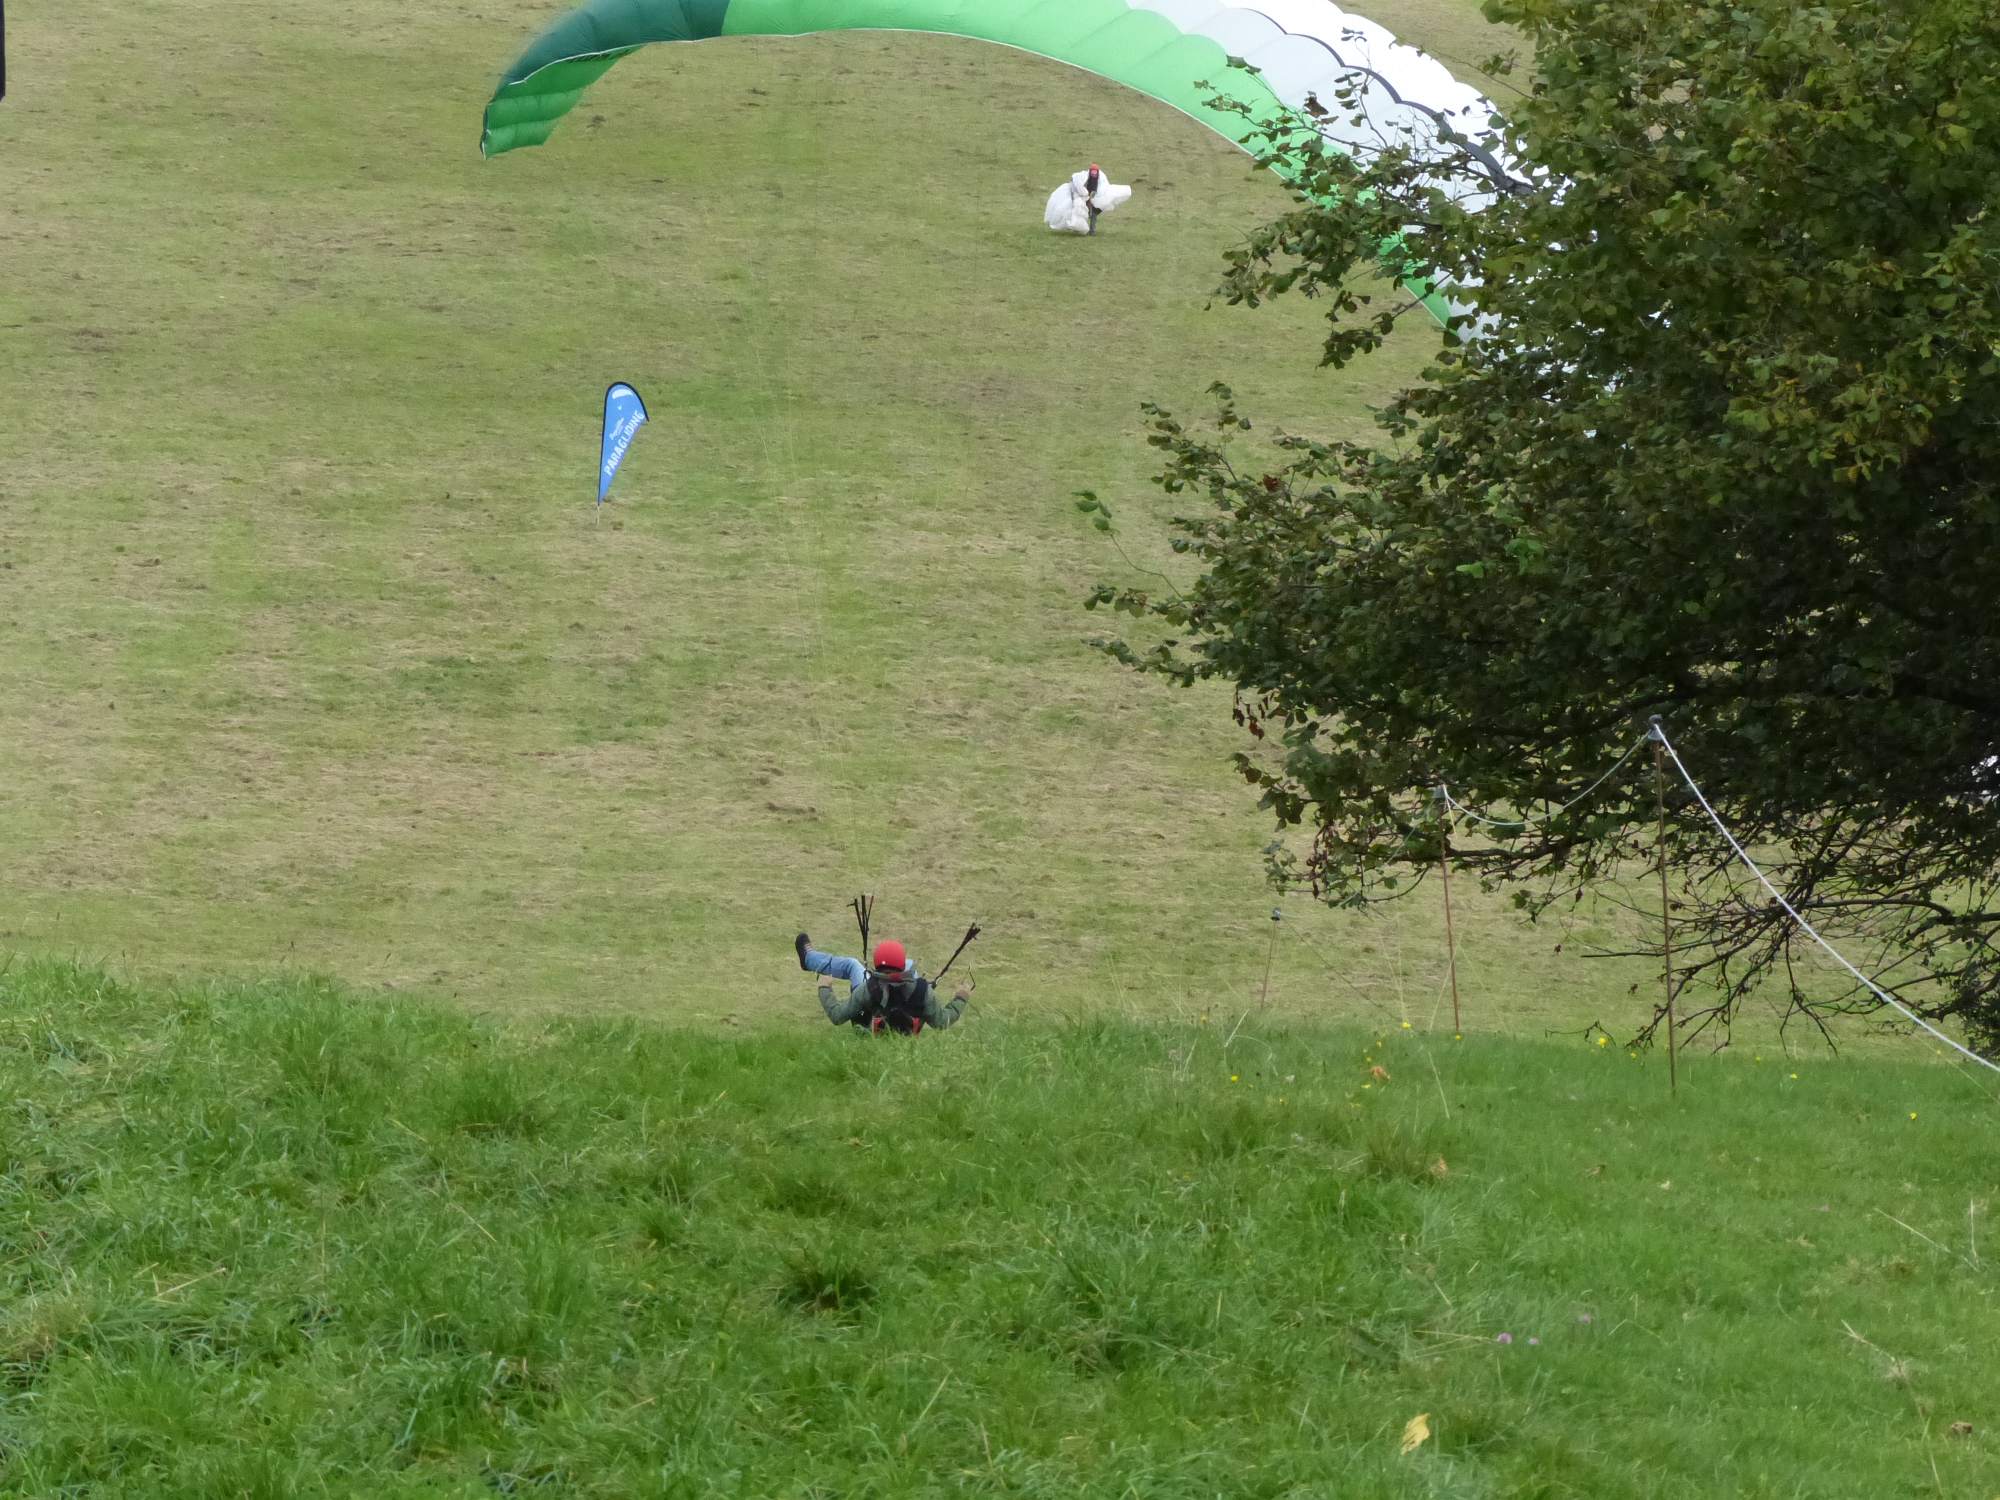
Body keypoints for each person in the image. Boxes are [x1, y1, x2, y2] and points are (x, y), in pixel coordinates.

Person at [795, 932, 971, 1034]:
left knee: (852, 964)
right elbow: (942, 1022)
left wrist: (824, 988)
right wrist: (961, 998)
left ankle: (809, 958)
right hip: (907, 1029)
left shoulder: (867, 989)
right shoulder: (923, 991)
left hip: (870, 1027)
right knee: (911, 964)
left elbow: (837, 1016)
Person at [1043, 163, 1132, 235]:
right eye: (1092, 172)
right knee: (1080, 212)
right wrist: (1085, 195)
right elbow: (1079, 185)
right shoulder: (1084, 177)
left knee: (1093, 215)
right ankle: (1077, 227)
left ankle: (1091, 231)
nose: (1094, 174)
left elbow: (1102, 189)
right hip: (1084, 198)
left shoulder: (1100, 180)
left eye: (1095, 172)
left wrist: (1094, 198)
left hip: (1094, 200)